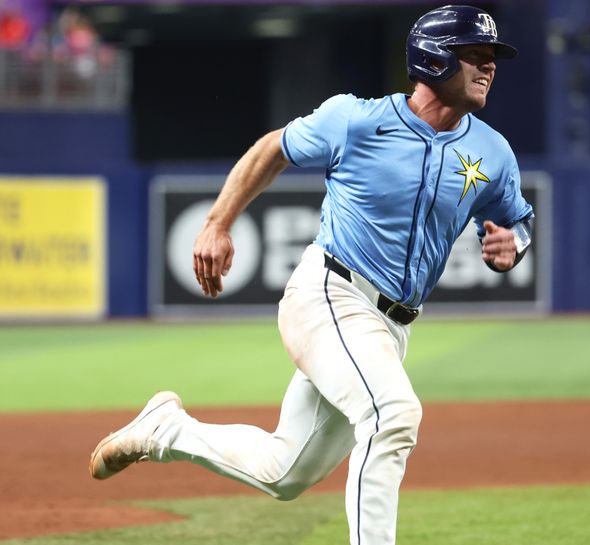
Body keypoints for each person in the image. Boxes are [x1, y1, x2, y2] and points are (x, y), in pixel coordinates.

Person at [89, 5, 534, 545]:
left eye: (492, 57)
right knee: (393, 415)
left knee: (286, 470)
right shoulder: (356, 119)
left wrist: (515, 244)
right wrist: (217, 223)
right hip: (331, 294)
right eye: (474, 55)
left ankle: (166, 430)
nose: (488, 67)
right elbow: (271, 149)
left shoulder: (492, 150)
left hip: (391, 327)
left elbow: (518, 221)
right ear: (433, 58)